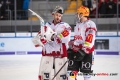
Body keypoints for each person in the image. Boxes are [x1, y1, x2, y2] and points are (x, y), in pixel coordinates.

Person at [32, 6, 71, 80]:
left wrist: (52, 37)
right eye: (57, 15)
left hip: (60, 55)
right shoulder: (47, 25)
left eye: (60, 16)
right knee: (45, 76)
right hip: (48, 54)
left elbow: (66, 38)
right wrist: (41, 40)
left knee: (62, 76)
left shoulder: (65, 26)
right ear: (53, 14)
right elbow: (39, 37)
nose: (58, 17)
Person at [67, 6, 97, 80]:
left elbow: (90, 38)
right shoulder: (77, 24)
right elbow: (77, 38)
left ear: (82, 14)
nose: (77, 15)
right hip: (75, 51)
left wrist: (84, 50)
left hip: (86, 53)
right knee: (71, 74)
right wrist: (71, 45)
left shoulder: (90, 24)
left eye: (78, 13)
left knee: (86, 75)